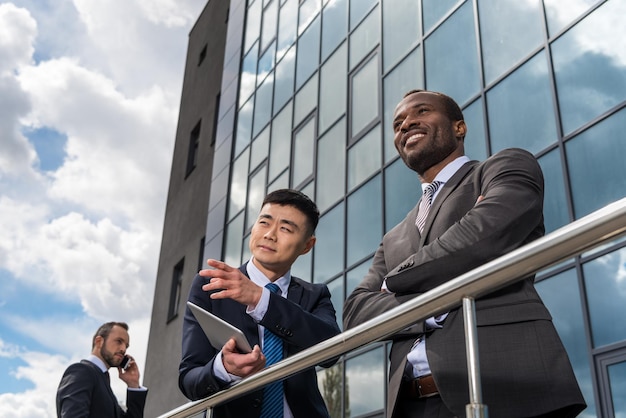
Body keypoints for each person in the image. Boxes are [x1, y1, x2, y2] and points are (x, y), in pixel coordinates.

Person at [343, 89, 587, 417]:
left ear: (460, 127)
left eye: (422, 112)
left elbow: (482, 237)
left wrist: (395, 280)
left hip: (506, 387)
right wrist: (432, 304)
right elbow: (356, 313)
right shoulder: (393, 237)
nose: (406, 124)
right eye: (398, 123)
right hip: (411, 404)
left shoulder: (503, 167)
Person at [179, 188, 341, 417]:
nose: (270, 235)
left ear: (307, 245)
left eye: (285, 228)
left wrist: (260, 299)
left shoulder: (314, 295)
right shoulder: (212, 285)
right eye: (264, 222)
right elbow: (189, 379)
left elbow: (332, 349)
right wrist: (223, 369)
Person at [56, 321, 147, 418]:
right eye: (119, 341)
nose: (123, 349)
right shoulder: (81, 371)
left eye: (126, 346)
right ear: (99, 342)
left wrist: (133, 385)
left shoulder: (104, 385)